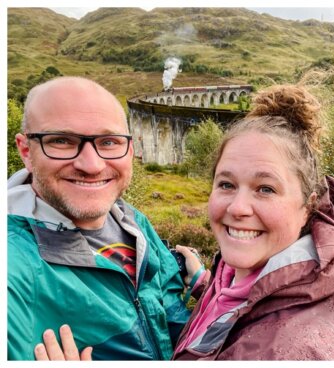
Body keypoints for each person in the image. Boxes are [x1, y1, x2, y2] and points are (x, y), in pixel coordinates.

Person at [171, 84, 334, 359]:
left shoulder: (296, 351)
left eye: (266, 189)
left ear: (308, 207)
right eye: (226, 184)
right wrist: (203, 283)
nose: (238, 207)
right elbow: (245, 311)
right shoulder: (243, 275)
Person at [8, 77, 205, 360]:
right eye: (62, 141)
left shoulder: (134, 223)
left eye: (109, 142)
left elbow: (175, 319)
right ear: (26, 150)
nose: (92, 165)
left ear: (130, 151)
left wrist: (212, 289)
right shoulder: (14, 264)